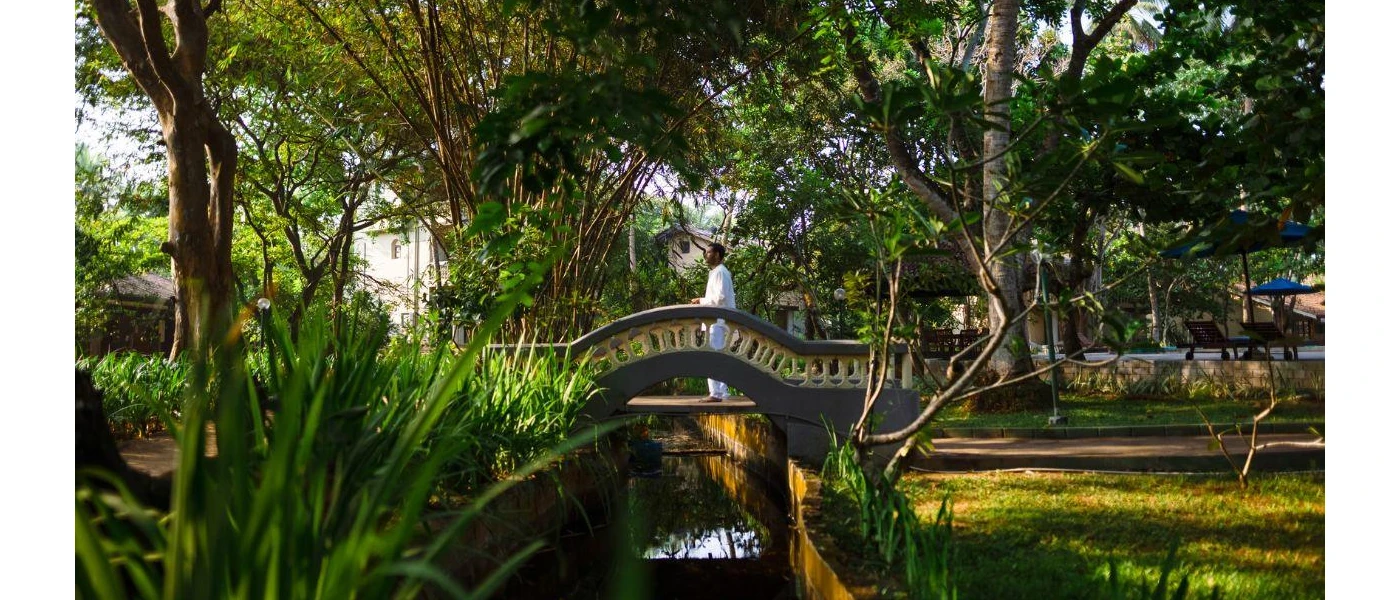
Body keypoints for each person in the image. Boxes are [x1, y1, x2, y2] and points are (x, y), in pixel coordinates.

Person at [690, 243, 735, 403]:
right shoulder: (717, 272)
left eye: (708, 252)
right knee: (717, 356)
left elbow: (719, 298)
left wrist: (700, 300)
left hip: (717, 320)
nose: (705, 255)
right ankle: (721, 392)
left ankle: (716, 394)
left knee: (713, 356)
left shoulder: (720, 272)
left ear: (717, 255)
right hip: (716, 320)